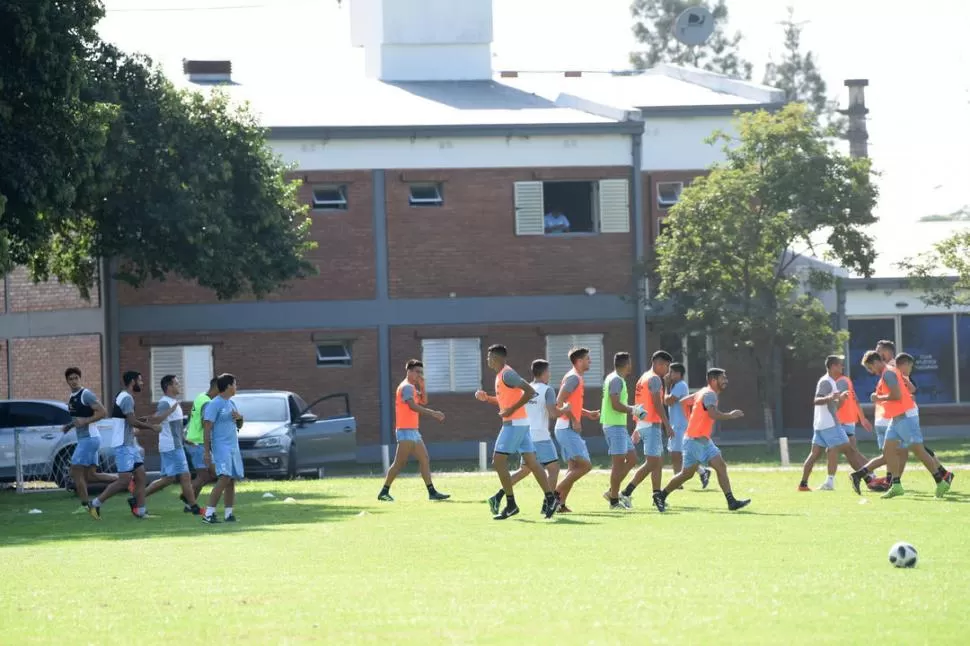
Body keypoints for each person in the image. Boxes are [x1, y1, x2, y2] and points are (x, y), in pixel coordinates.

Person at [849, 352, 952, 498]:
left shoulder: (888, 374)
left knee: (919, 451)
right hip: (896, 419)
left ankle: (941, 482)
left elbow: (897, 395)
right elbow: (907, 390)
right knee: (888, 450)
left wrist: (878, 397)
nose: (870, 371)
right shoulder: (888, 373)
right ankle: (896, 485)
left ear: (875, 362)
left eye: (869, 368)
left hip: (905, 417)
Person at [476, 345, 558, 520]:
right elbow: (505, 400)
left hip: (514, 424)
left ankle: (511, 504)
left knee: (498, 461)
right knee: (532, 463)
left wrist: (511, 410)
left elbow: (530, 391)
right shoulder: (500, 376)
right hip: (520, 423)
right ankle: (551, 499)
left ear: (497, 358)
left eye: (489, 357)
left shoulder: (507, 374)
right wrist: (488, 398)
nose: (487, 360)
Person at [653, 368, 750, 513]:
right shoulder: (709, 394)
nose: (726, 381)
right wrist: (730, 415)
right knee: (697, 472)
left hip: (701, 439)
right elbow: (712, 413)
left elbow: (684, 402)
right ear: (713, 380)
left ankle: (731, 502)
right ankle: (661, 495)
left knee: (706, 470)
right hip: (695, 441)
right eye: (723, 378)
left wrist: (691, 419)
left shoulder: (702, 391)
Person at [88, 371, 176, 520]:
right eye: (140, 381)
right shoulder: (127, 398)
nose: (142, 383)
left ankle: (141, 511)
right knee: (124, 480)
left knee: (141, 475)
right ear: (132, 382)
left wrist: (140, 420)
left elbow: (128, 419)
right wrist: (151, 427)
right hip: (123, 444)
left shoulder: (123, 396)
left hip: (129, 444)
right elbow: (131, 422)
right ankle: (95, 503)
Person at [378, 359, 450, 502]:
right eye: (417, 372)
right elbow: (412, 406)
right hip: (405, 431)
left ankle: (432, 492)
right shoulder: (406, 387)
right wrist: (433, 413)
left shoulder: (412, 387)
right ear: (409, 371)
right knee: (399, 463)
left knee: (424, 459)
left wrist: (422, 387)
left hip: (413, 431)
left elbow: (423, 401)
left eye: (421, 372)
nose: (419, 375)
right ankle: (383, 492)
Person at [797, 355, 869, 491]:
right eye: (840, 364)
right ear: (832, 366)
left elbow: (834, 406)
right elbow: (816, 400)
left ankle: (803, 484)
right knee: (850, 451)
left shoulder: (832, 382)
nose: (842, 367)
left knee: (815, 454)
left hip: (821, 425)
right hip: (830, 425)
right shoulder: (826, 382)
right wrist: (831, 397)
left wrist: (841, 399)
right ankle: (869, 479)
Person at [619, 350, 674, 505]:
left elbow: (641, 404)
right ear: (657, 364)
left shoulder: (643, 378)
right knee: (652, 462)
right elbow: (657, 404)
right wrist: (667, 425)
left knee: (657, 461)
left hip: (645, 423)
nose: (668, 370)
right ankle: (625, 493)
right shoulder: (655, 379)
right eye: (666, 366)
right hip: (651, 425)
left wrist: (637, 426)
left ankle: (657, 495)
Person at [142, 375, 201, 514]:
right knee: (185, 476)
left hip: (175, 445)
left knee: (168, 479)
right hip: (172, 446)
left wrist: (185, 439)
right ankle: (194, 507)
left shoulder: (172, 402)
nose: (178, 385)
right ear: (168, 386)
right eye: (176, 383)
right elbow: (157, 419)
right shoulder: (166, 403)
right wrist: (171, 409)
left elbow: (174, 428)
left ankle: (137, 497)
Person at [551, 347, 600, 513]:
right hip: (566, 428)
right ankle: (553, 496)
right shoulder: (573, 378)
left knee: (573, 468)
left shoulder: (576, 377)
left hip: (564, 428)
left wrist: (586, 414)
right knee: (585, 466)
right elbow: (559, 402)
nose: (590, 361)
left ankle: (560, 505)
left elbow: (571, 403)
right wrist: (573, 419)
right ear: (579, 361)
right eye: (587, 359)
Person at [62, 367, 115, 512]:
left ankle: (85, 506)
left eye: (76, 378)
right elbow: (79, 418)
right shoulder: (72, 396)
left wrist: (85, 422)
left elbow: (103, 412)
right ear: (67, 381)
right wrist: (70, 426)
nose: (73, 381)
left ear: (80, 378)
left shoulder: (86, 394)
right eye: (70, 379)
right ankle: (124, 480)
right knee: (91, 475)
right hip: (87, 439)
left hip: (89, 439)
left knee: (75, 471)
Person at [507, 359, 564, 496]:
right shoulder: (547, 390)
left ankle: (499, 493)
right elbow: (553, 414)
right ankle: (548, 503)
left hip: (526, 436)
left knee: (525, 470)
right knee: (553, 469)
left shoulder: (525, 390)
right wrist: (565, 409)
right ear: (544, 372)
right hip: (541, 436)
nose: (549, 374)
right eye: (548, 371)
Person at [201, 373, 245, 523]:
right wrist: (206, 452)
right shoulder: (214, 404)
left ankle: (228, 514)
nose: (236, 387)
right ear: (228, 386)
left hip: (233, 446)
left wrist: (240, 419)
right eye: (235, 384)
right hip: (221, 447)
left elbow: (238, 425)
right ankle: (208, 514)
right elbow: (207, 428)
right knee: (224, 477)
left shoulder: (231, 404)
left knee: (231, 479)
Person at [599, 352, 641, 510]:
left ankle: (612, 492)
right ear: (626, 364)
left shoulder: (615, 378)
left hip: (618, 426)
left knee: (632, 459)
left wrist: (632, 410)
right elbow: (615, 404)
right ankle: (614, 501)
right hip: (614, 426)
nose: (631, 365)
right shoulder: (616, 379)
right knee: (617, 464)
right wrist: (633, 410)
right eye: (630, 363)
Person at [662, 362, 710, 490]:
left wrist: (666, 387)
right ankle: (702, 472)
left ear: (678, 374)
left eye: (671, 372)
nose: (669, 374)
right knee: (678, 454)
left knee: (676, 454)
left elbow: (668, 401)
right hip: (676, 425)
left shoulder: (680, 385)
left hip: (680, 425)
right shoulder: (675, 386)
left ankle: (678, 483)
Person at [183, 378, 218, 504]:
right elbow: (206, 425)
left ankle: (189, 502)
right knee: (208, 475)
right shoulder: (208, 403)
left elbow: (191, 417)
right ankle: (188, 498)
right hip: (197, 443)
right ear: (217, 388)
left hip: (193, 441)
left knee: (207, 475)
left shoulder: (200, 396)